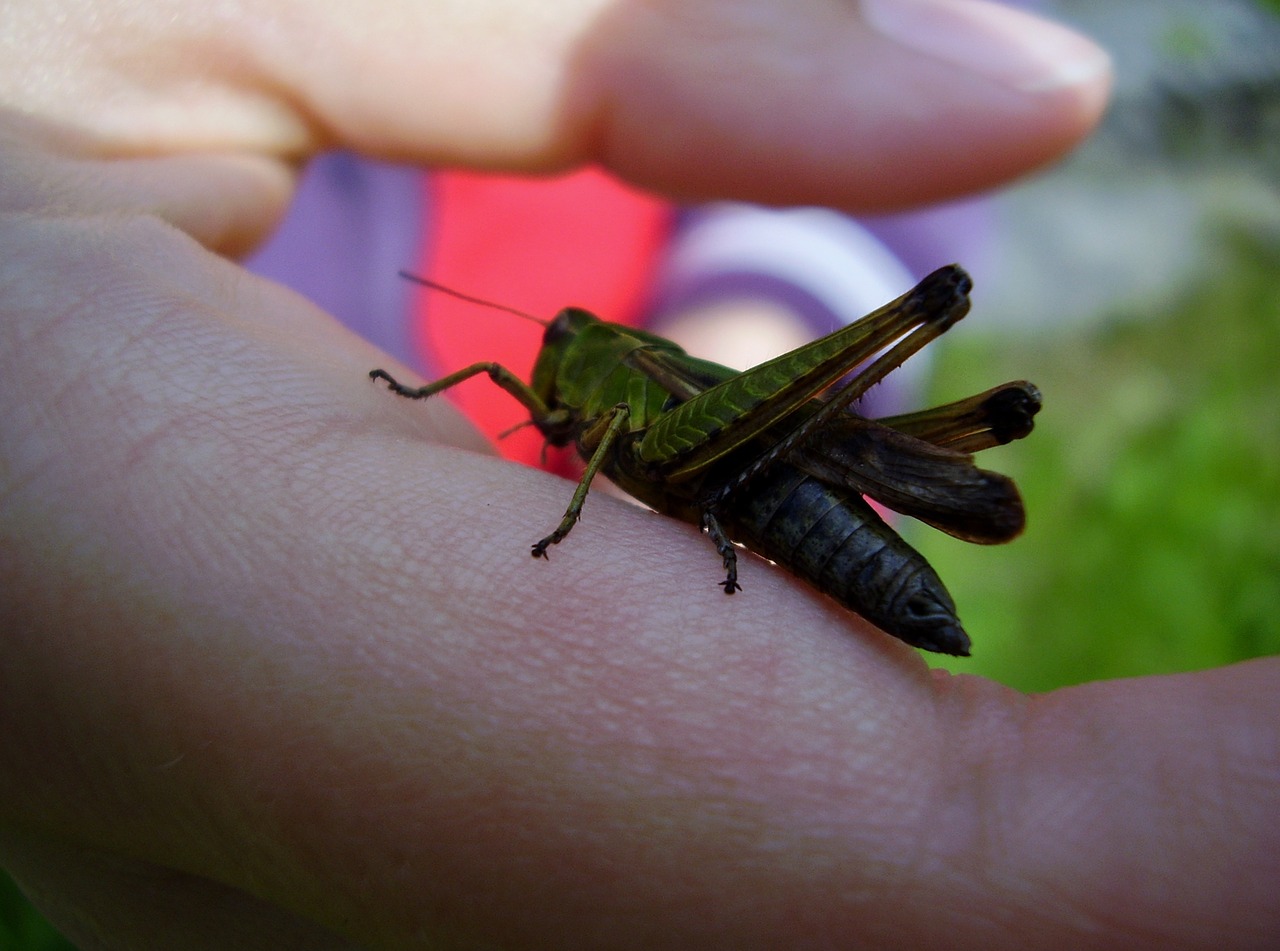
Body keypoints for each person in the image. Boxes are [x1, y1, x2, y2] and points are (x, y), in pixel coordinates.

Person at [0, 2, 1274, 949]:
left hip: (741, 466)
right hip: (713, 475)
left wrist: (708, 374)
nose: (550, 367)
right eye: (557, 351)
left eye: (564, 349)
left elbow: (659, 390)